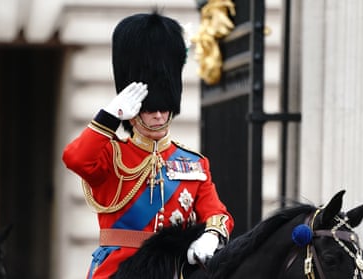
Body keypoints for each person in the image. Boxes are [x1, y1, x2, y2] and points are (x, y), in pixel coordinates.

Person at [62, 10, 234, 279]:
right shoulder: (112, 154)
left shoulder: (194, 163)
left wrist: (211, 236)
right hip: (118, 271)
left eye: (164, 108)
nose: (158, 114)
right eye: (151, 107)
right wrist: (110, 116)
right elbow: (75, 158)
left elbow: (218, 214)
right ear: (135, 109)